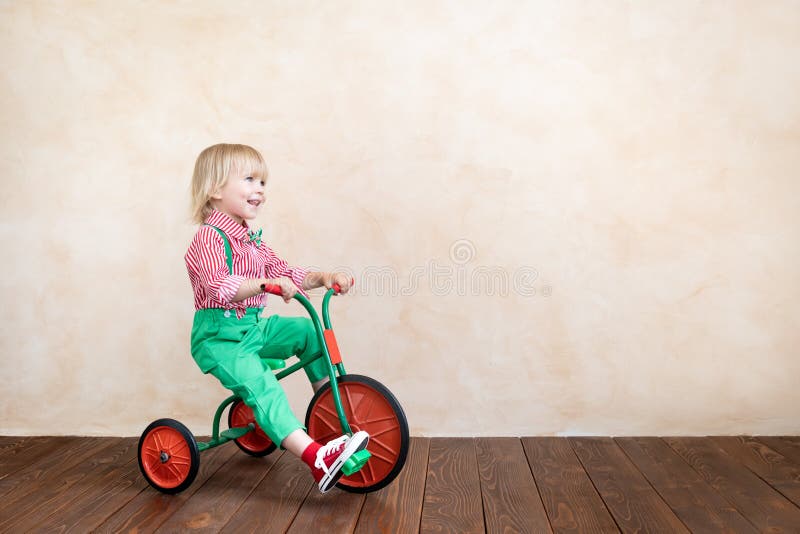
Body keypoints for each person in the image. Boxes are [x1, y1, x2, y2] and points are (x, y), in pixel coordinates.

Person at [184, 143, 368, 493]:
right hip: (220, 339)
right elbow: (220, 286)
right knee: (263, 387)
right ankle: (317, 459)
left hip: (252, 327)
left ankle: (329, 418)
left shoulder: (251, 241)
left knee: (308, 331)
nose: (260, 190)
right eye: (250, 179)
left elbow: (285, 271)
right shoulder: (208, 238)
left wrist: (323, 277)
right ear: (215, 189)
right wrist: (263, 284)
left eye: (263, 182)